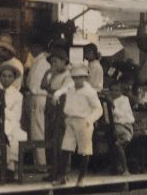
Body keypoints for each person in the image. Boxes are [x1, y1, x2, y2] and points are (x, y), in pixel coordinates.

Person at [53, 64, 102, 185]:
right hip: (70, 121)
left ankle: (81, 178)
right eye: (75, 77)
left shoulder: (90, 92)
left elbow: (98, 109)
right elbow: (61, 91)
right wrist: (56, 95)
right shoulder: (70, 87)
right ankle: (62, 177)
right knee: (66, 148)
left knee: (84, 150)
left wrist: (89, 120)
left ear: (85, 77)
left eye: (80, 77)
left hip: (83, 122)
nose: (77, 79)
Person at [41, 45, 71, 181]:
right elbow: (43, 86)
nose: (53, 64)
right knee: (49, 138)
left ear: (64, 61)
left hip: (61, 109)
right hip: (51, 109)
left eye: (56, 61)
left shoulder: (68, 75)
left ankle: (61, 172)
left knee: (60, 140)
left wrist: (52, 91)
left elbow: (63, 91)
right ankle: (52, 171)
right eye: (51, 62)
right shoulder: (53, 74)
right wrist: (48, 73)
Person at [0, 62, 27, 177]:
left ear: (14, 78)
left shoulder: (17, 95)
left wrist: (3, 110)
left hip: (12, 123)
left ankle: (12, 167)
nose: (6, 79)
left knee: (16, 135)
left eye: (10, 76)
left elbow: (16, 116)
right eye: (4, 76)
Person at [25, 38, 50, 172]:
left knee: (37, 130)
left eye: (32, 47)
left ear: (37, 47)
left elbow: (35, 85)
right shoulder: (37, 61)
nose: (30, 50)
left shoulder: (43, 61)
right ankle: (38, 162)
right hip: (34, 96)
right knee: (34, 130)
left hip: (38, 96)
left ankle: (41, 164)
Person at [104, 78, 135, 174]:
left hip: (126, 125)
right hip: (114, 126)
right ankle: (122, 168)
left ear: (121, 91)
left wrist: (114, 107)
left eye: (117, 90)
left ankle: (122, 167)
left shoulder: (124, 100)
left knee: (119, 140)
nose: (114, 93)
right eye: (112, 90)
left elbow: (128, 118)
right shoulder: (107, 102)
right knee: (117, 140)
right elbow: (107, 119)